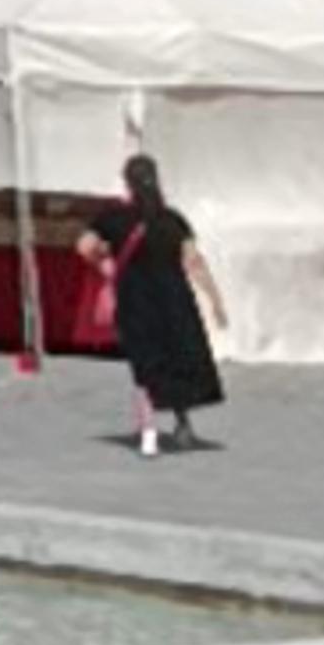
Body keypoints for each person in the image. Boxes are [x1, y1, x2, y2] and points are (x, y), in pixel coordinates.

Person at [97, 150, 226, 453]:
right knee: (176, 359)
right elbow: (194, 262)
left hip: (135, 300)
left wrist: (107, 267)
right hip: (173, 300)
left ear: (127, 183)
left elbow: (85, 246)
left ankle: (149, 433)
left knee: (144, 363)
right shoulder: (173, 220)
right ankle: (182, 424)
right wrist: (216, 300)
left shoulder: (114, 219)